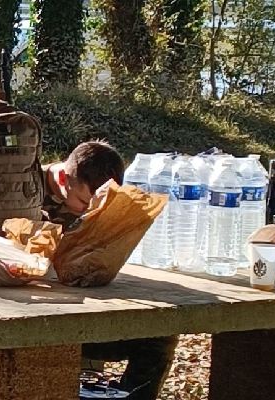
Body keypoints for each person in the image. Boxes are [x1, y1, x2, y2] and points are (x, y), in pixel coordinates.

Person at [37, 140, 174, 400]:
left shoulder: (93, 198)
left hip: (85, 316)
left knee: (158, 337)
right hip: (38, 318)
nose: (89, 209)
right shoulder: (22, 189)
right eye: (83, 201)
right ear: (64, 178)